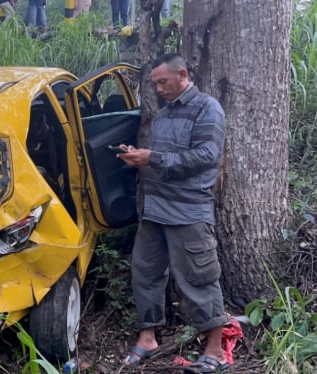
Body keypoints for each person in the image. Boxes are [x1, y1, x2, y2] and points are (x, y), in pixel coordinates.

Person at [117, 53, 230, 373]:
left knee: (199, 278)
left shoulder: (207, 108)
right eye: (155, 84)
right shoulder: (164, 114)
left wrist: (153, 158)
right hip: (155, 210)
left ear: (182, 75)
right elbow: (161, 157)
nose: (159, 89)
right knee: (146, 274)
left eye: (162, 82)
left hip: (189, 210)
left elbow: (207, 155)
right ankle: (148, 338)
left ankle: (215, 351)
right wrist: (138, 157)